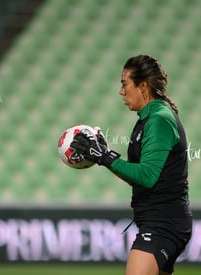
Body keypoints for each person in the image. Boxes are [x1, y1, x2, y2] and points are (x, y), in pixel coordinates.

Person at [71, 54, 192, 275]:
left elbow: (147, 176)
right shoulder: (147, 119)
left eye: (125, 84)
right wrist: (104, 158)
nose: (121, 91)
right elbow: (140, 177)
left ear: (143, 86)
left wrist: (106, 157)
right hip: (158, 222)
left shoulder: (159, 119)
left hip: (163, 224)